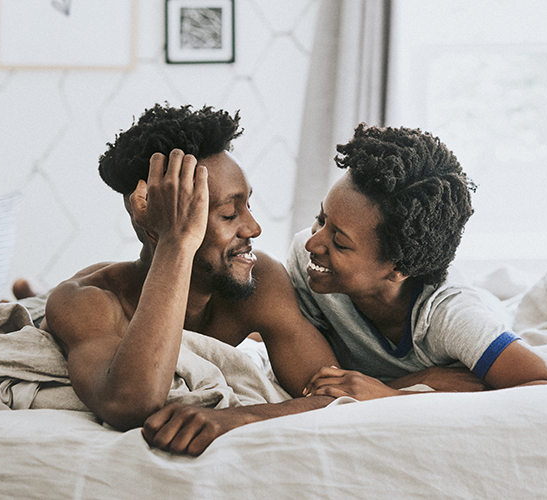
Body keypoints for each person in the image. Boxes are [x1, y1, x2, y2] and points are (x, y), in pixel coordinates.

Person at [42, 103, 341, 456]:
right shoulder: (85, 301)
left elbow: (335, 394)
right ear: (150, 219)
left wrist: (241, 418)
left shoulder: (260, 278)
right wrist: (174, 241)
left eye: (247, 206)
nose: (254, 228)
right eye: (229, 214)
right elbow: (130, 404)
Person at [287, 123, 547, 401]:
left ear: (399, 268)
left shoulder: (453, 319)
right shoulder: (306, 260)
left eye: (339, 242)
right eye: (321, 219)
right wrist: (417, 381)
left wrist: (392, 396)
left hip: (485, 310)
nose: (313, 242)